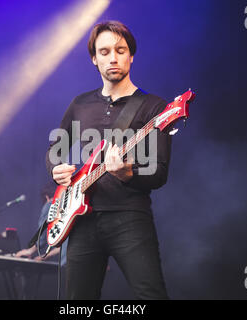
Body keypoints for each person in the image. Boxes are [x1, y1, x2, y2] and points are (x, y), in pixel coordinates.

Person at [46, 21, 171, 299]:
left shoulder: (154, 107)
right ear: (94, 58)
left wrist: (128, 173)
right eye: (104, 52)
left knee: (151, 295)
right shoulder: (80, 103)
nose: (112, 57)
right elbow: (55, 150)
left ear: (131, 55)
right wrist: (57, 169)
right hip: (81, 219)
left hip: (129, 216)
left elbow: (160, 173)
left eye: (120, 50)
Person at [16, 182, 67, 266]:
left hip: (68, 263)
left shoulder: (51, 205)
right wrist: (45, 256)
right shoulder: (69, 208)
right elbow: (65, 243)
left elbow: (42, 236)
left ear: (46, 197)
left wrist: (29, 251)